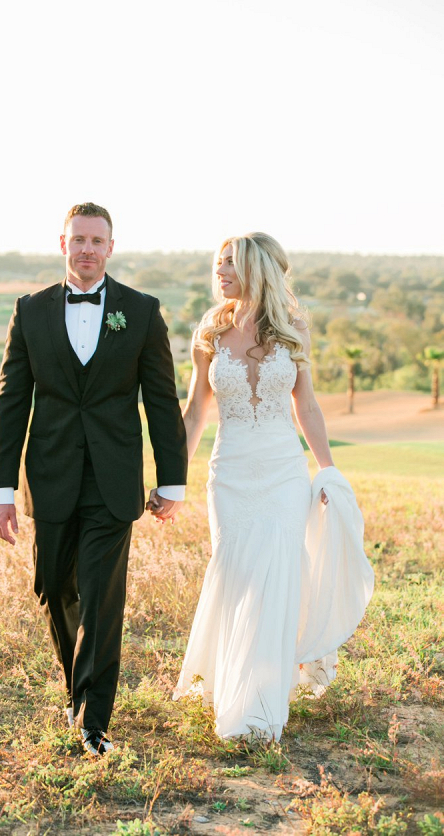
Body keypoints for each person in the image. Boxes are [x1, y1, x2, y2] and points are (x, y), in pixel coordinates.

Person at [0, 203, 188, 755]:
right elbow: (11, 402)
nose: (87, 249)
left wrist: (172, 479)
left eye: (97, 240)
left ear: (110, 247)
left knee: (102, 597)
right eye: (78, 239)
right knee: (54, 588)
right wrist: (1, 489)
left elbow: (161, 399)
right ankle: (78, 688)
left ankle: (93, 721)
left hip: (113, 478)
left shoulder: (142, 312)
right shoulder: (29, 311)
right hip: (49, 475)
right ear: (63, 244)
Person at [174, 232, 373, 742]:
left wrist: (327, 472)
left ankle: (262, 701)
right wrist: (174, 478)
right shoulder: (211, 331)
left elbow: (306, 407)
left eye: (229, 265)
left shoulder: (294, 331)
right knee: (239, 574)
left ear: (255, 270)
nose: (219, 274)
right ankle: (233, 686)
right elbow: (196, 410)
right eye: (217, 264)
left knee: (278, 575)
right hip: (231, 473)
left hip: (285, 471)